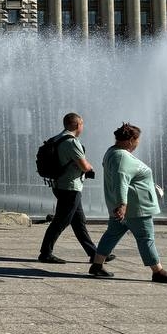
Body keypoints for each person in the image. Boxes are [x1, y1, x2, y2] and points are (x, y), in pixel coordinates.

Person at [89, 123, 167, 282]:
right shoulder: (121, 156)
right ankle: (157, 271)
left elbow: (124, 180)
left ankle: (97, 265)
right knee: (146, 237)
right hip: (136, 208)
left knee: (112, 234)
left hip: (124, 207)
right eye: (138, 140)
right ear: (131, 140)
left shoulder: (112, 152)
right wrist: (123, 204)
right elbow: (121, 180)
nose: (138, 144)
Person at [37, 113, 111, 264]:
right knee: (61, 221)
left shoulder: (57, 138)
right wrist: (91, 167)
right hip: (70, 187)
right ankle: (45, 253)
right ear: (78, 125)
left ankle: (94, 253)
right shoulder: (71, 142)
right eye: (82, 124)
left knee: (78, 222)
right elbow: (84, 166)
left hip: (61, 185)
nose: (83, 127)